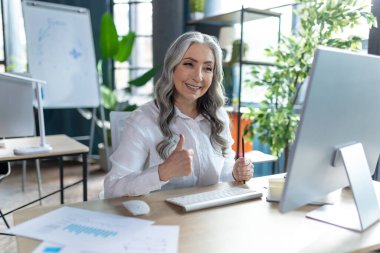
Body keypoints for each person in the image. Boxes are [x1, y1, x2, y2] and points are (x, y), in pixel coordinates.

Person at [104, 31, 253, 198]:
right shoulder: (143, 120)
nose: (198, 77)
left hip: (208, 217)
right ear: (172, 67)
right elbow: (112, 188)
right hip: (161, 219)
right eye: (189, 64)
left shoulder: (218, 116)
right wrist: (162, 172)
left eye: (207, 68)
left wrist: (235, 173)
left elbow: (222, 176)